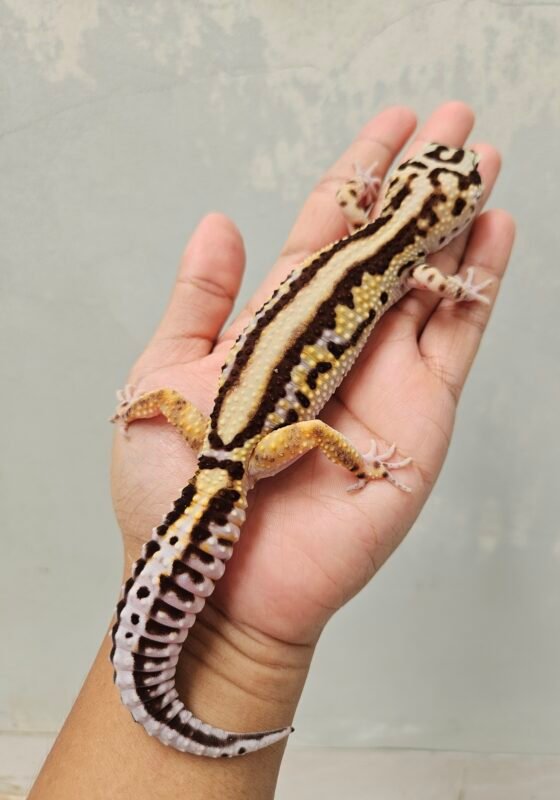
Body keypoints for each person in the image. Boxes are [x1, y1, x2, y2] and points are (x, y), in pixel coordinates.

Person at [29, 102, 514, 799]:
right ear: (450, 223)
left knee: (263, 429)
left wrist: (142, 405)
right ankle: (364, 465)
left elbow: (353, 197)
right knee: (319, 431)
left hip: (220, 430)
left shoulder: (372, 230)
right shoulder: (416, 265)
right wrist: (365, 464)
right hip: (252, 447)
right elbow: (431, 294)